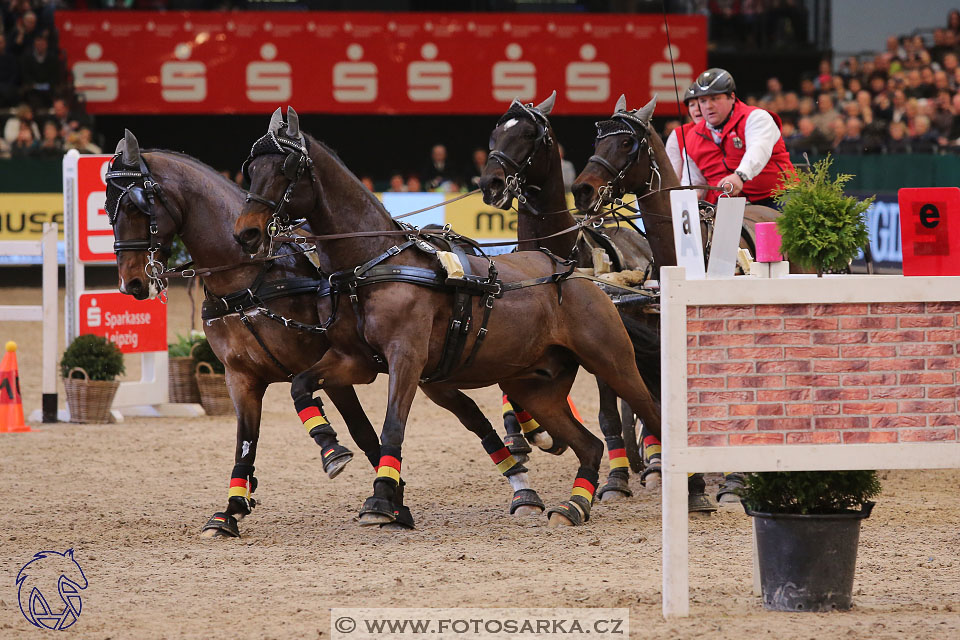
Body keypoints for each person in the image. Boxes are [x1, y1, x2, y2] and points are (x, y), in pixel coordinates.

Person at [683, 68, 796, 208]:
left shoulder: (756, 117)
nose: (708, 106)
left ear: (731, 97)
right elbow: (692, 182)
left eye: (714, 99)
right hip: (730, 205)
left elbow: (758, 149)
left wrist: (740, 176)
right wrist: (687, 200)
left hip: (777, 196)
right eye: (703, 101)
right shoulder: (692, 138)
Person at [664, 81, 705, 197]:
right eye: (692, 105)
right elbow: (673, 179)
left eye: (701, 103)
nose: (697, 109)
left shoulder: (724, 130)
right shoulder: (678, 135)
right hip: (691, 200)